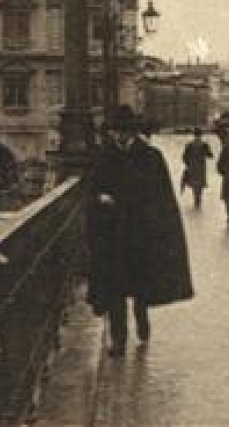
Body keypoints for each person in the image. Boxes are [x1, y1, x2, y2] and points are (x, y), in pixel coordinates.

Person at [86, 105, 193, 357]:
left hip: (140, 233)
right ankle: (119, 339)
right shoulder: (103, 155)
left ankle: (142, 320)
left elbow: (161, 196)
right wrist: (99, 198)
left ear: (133, 132)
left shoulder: (150, 156)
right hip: (112, 233)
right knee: (114, 287)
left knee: (140, 285)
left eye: (124, 131)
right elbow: (92, 190)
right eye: (115, 131)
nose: (119, 136)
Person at [180, 127, 212, 208]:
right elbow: (210, 155)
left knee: (194, 183)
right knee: (200, 183)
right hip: (201, 167)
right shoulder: (204, 144)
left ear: (194, 135)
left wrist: (188, 163)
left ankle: (196, 198)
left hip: (192, 166)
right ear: (201, 135)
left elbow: (184, 157)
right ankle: (198, 198)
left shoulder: (189, 145)